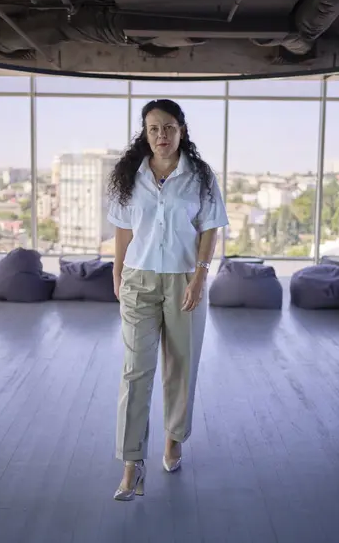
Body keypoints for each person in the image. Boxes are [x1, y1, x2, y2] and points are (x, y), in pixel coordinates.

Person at [107, 98, 228, 501]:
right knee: (134, 370)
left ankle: (174, 439)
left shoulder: (201, 176)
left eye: (169, 127)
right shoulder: (129, 175)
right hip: (139, 280)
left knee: (181, 366)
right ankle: (131, 463)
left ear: (182, 131)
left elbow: (210, 228)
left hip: (184, 281)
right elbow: (124, 229)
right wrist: (117, 270)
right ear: (145, 132)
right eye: (154, 128)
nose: (162, 135)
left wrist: (200, 275)